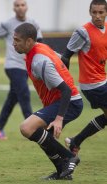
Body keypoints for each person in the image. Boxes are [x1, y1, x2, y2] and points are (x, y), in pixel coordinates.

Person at [13, 23, 83, 180]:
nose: (13, 43)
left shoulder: (39, 61)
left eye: (17, 40)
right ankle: (62, 173)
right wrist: (62, 72)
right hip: (63, 100)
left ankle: (70, 157)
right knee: (45, 138)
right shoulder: (39, 48)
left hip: (69, 101)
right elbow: (63, 60)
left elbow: (66, 90)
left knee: (27, 127)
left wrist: (59, 118)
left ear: (29, 41)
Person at [0, 0, 43, 140]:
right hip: (12, 65)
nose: (20, 7)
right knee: (24, 94)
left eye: (22, 4)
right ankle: (33, 128)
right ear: (13, 8)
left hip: (26, 66)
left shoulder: (33, 23)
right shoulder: (7, 24)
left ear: (27, 7)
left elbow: (40, 43)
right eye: (17, 5)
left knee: (12, 98)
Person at [61, 0, 107, 155]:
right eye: (94, 12)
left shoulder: (106, 29)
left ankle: (76, 141)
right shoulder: (83, 32)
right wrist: (64, 84)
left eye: (101, 12)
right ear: (90, 12)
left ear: (106, 13)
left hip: (103, 80)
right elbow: (65, 57)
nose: (98, 16)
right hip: (92, 85)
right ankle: (75, 141)